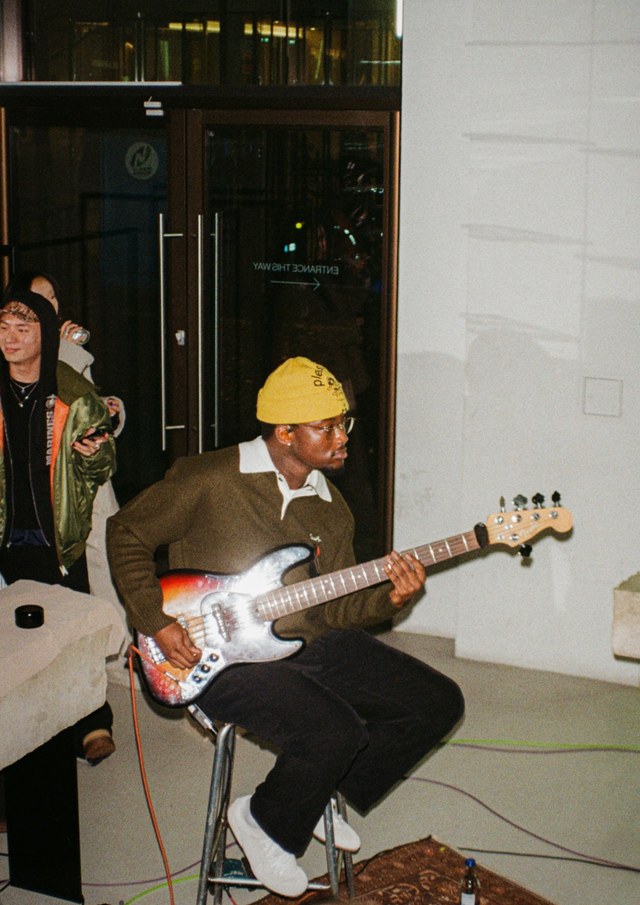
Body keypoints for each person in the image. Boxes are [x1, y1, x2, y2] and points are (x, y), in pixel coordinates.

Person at [106, 356, 464, 897]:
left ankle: (310, 793)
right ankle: (263, 821)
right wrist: (155, 622)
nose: (343, 438)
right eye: (328, 427)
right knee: (336, 730)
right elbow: (126, 533)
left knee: (436, 703)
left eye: (344, 424)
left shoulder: (330, 508)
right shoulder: (210, 478)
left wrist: (388, 599)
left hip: (302, 641)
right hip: (213, 656)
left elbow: (334, 610)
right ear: (286, 433)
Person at [0, 288, 117, 764]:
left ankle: (93, 722)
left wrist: (92, 455)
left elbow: (103, 465)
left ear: (45, 335)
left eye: (22, 329)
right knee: (17, 638)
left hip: (59, 534)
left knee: (72, 629)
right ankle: (30, 726)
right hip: (6, 532)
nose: (10, 338)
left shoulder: (71, 392)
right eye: (3, 328)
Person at [5, 270, 126, 608]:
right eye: (40, 297)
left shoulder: (67, 348)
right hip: (47, 496)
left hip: (84, 479)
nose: (50, 304)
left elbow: (89, 406)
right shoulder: (31, 351)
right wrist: (68, 353)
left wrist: (110, 411)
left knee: (102, 569)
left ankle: (112, 638)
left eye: (53, 296)